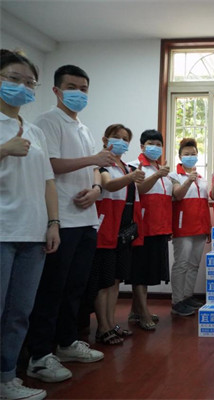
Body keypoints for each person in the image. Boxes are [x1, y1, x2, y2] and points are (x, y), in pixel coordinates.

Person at [27, 64, 106, 384]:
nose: (79, 94)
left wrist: (97, 188)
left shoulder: (83, 127)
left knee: (75, 288)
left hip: (86, 219)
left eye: (84, 89)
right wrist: (93, 160)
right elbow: (49, 165)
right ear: (56, 90)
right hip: (61, 219)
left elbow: (94, 169)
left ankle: (66, 342)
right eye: (72, 88)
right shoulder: (47, 121)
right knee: (52, 290)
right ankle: (39, 355)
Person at [0, 49, 59, 400]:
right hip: (2, 231)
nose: (22, 87)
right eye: (13, 79)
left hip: (33, 233)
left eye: (29, 82)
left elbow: (48, 181)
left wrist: (53, 223)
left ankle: (6, 378)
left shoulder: (35, 131)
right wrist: (4, 149)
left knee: (20, 312)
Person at [91, 124, 144, 344]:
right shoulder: (101, 164)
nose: (121, 142)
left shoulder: (126, 167)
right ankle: (102, 327)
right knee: (103, 282)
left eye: (125, 139)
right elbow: (109, 186)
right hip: (105, 228)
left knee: (115, 281)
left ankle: (112, 323)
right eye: (116, 137)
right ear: (105, 140)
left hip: (123, 231)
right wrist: (131, 178)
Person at [128, 129, 172, 330]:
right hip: (142, 226)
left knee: (148, 270)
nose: (155, 147)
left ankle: (135, 311)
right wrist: (156, 176)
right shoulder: (134, 166)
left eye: (158, 144)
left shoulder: (160, 169)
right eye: (151, 143)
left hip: (159, 226)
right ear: (142, 146)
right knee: (140, 271)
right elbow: (138, 190)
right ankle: (143, 313)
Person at [169, 138, 210, 316]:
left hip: (200, 228)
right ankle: (177, 301)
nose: (190, 157)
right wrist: (188, 181)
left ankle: (187, 296)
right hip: (182, 227)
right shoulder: (174, 176)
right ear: (180, 156)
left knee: (194, 264)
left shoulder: (201, 179)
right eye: (187, 154)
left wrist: (207, 228)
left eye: (193, 154)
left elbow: (204, 204)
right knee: (181, 264)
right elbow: (178, 195)